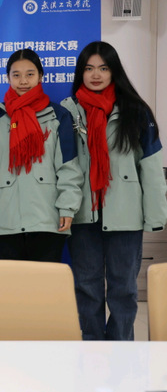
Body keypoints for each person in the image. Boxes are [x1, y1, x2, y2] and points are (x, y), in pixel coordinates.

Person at [61, 41, 167, 340]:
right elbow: (64, 166)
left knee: (124, 289)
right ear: (80, 73)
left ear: (114, 71)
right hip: (84, 214)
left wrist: (155, 216)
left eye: (103, 68)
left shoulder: (136, 111)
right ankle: (92, 348)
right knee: (87, 287)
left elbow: (150, 167)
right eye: (89, 68)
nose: (96, 75)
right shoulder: (68, 112)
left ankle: (121, 349)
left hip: (125, 215)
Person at [0, 48, 82, 262]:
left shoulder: (58, 116)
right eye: (16, 75)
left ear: (40, 76)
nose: (23, 81)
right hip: (6, 219)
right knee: (12, 282)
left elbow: (68, 167)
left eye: (30, 74)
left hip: (48, 218)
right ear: (8, 78)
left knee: (45, 282)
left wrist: (67, 208)